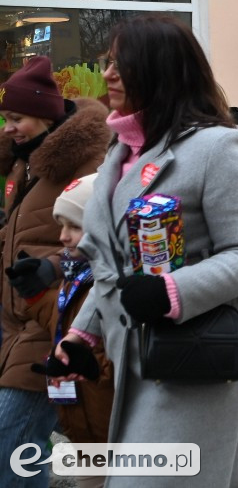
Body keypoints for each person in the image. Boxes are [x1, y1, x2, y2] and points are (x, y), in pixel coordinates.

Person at [49, 15, 238, 486]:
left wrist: (170, 290)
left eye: (119, 64)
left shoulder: (219, 147)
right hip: (131, 356)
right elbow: (110, 265)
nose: (107, 74)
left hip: (192, 358)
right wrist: (81, 337)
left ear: (159, 69)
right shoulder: (119, 153)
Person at [0, 57, 109, 488]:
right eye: (5, 118)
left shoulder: (85, 161)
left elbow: (104, 239)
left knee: (12, 435)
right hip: (18, 319)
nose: (9, 128)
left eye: (17, 118)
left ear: (45, 115)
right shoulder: (24, 160)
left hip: (59, 316)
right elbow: (29, 229)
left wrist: (49, 267)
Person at [19, 174, 113, 488]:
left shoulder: (111, 285)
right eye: (61, 225)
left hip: (116, 434)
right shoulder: (74, 275)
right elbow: (62, 320)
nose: (63, 237)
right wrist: (34, 295)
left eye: (74, 226)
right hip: (84, 429)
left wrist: (94, 368)